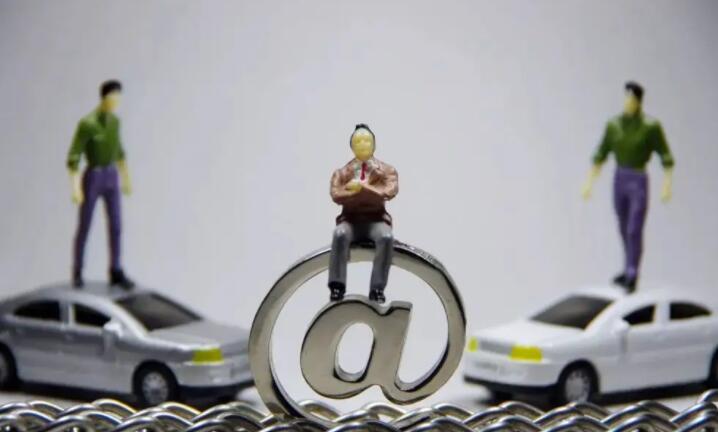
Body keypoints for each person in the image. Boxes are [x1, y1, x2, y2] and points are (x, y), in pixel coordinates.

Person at [581, 81, 675, 292]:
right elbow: (601, 153)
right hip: (619, 178)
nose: (628, 103)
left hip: (638, 179)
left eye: (632, 99)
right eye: (626, 98)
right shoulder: (613, 125)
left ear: (639, 101)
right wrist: (589, 182)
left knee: (634, 228)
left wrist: (667, 184)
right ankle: (627, 268)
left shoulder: (650, 127)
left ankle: (633, 272)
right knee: (623, 227)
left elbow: (665, 156)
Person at [67, 80, 135, 289]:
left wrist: (125, 177)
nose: (116, 101)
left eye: (118, 97)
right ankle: (78, 269)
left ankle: (116, 268)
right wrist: (75, 186)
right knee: (85, 225)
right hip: (93, 176)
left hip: (111, 175)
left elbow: (119, 151)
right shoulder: (88, 124)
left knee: (116, 225)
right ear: (104, 97)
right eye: (113, 97)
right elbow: (74, 156)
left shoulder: (115, 123)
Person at [328, 124, 399, 303]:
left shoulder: (387, 171)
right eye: (358, 141)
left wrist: (363, 188)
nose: (363, 144)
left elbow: (388, 191)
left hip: (376, 220)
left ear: (373, 144)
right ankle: (337, 286)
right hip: (351, 221)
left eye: (366, 140)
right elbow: (336, 194)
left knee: (386, 237)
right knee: (339, 234)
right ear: (352, 146)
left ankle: (377, 289)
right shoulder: (341, 173)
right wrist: (351, 191)